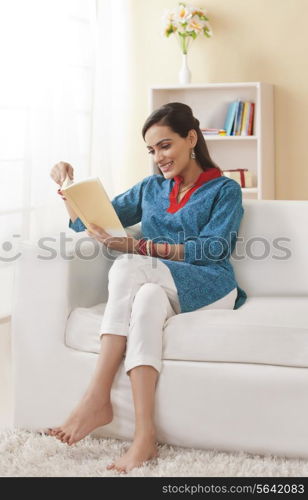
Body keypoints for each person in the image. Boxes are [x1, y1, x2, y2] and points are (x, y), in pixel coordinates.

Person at [48, 102, 247, 473]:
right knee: (147, 300)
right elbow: (88, 223)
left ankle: (96, 395)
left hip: (210, 284)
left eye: (166, 146)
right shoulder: (151, 188)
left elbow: (213, 249)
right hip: (161, 283)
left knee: (129, 263)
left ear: (191, 138)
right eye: (152, 150)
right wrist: (67, 187)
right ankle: (144, 437)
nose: (159, 158)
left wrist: (140, 247)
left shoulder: (224, 190)